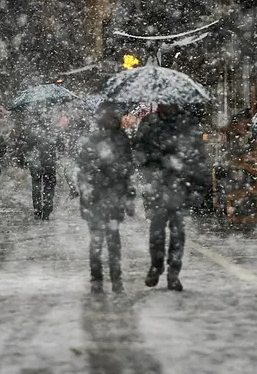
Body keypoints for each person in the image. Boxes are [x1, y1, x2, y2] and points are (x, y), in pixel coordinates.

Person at [134, 104, 208, 291]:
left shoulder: (187, 124)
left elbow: (198, 156)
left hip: (180, 186)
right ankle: (156, 265)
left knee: (177, 232)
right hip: (157, 187)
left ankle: (173, 272)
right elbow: (138, 153)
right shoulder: (149, 123)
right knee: (157, 230)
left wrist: (198, 185)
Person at [77, 103, 136, 294]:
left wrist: (128, 194)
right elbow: (85, 168)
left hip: (108, 195)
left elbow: (128, 169)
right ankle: (102, 276)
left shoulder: (116, 140)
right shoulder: (113, 140)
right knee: (103, 238)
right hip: (101, 195)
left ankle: (110, 275)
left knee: (108, 238)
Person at [16, 111, 61, 220]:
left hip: (35, 164)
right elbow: (61, 147)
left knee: (36, 187)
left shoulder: (29, 132)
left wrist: (22, 161)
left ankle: (37, 210)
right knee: (49, 187)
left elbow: (22, 147)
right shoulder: (53, 132)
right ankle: (46, 211)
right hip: (49, 164)